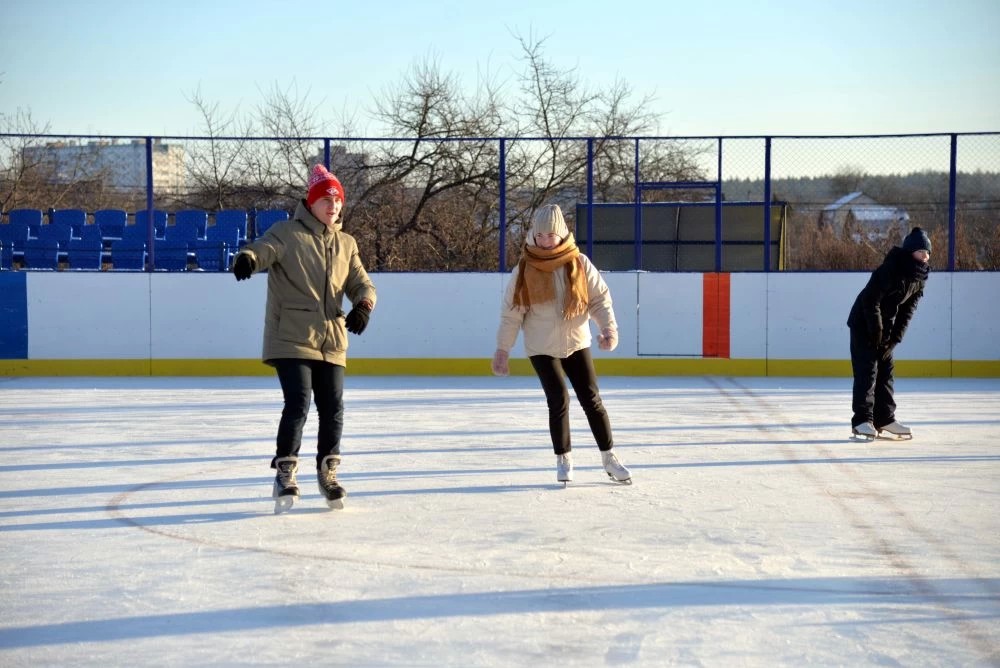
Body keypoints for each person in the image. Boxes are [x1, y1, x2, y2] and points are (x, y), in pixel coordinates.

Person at [232, 164, 377, 512]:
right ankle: (285, 472)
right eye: (326, 200)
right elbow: (263, 248)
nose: (333, 206)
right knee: (298, 401)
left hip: (331, 338)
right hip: (291, 336)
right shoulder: (287, 232)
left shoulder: (347, 243)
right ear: (311, 203)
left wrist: (364, 305)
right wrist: (247, 259)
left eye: (338, 200)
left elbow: (361, 282)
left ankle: (328, 473)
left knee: (333, 408)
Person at [491, 204, 630, 485]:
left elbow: (599, 299)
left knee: (592, 399)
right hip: (541, 347)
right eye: (539, 235)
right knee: (558, 400)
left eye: (550, 235)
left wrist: (608, 329)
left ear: (562, 233)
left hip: (576, 342)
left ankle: (609, 457)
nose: (544, 240)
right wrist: (503, 350)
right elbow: (512, 312)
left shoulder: (578, 262)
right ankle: (563, 459)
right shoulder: (525, 268)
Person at [847, 226, 931, 440]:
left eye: (928, 252)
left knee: (886, 370)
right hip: (863, 321)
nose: (925, 256)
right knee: (868, 369)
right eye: (921, 251)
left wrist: (894, 339)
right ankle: (862, 420)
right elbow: (870, 300)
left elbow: (907, 311)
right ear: (910, 251)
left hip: (884, 326)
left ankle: (884, 418)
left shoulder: (919, 279)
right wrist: (876, 331)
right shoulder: (890, 268)